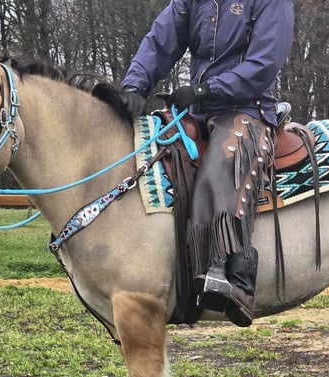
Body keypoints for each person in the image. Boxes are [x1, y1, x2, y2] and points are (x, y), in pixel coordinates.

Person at [120, 0, 295, 327]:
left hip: (247, 107)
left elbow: (264, 63)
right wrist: (134, 85)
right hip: (199, 108)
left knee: (220, 166)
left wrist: (205, 88)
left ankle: (235, 274)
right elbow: (161, 39)